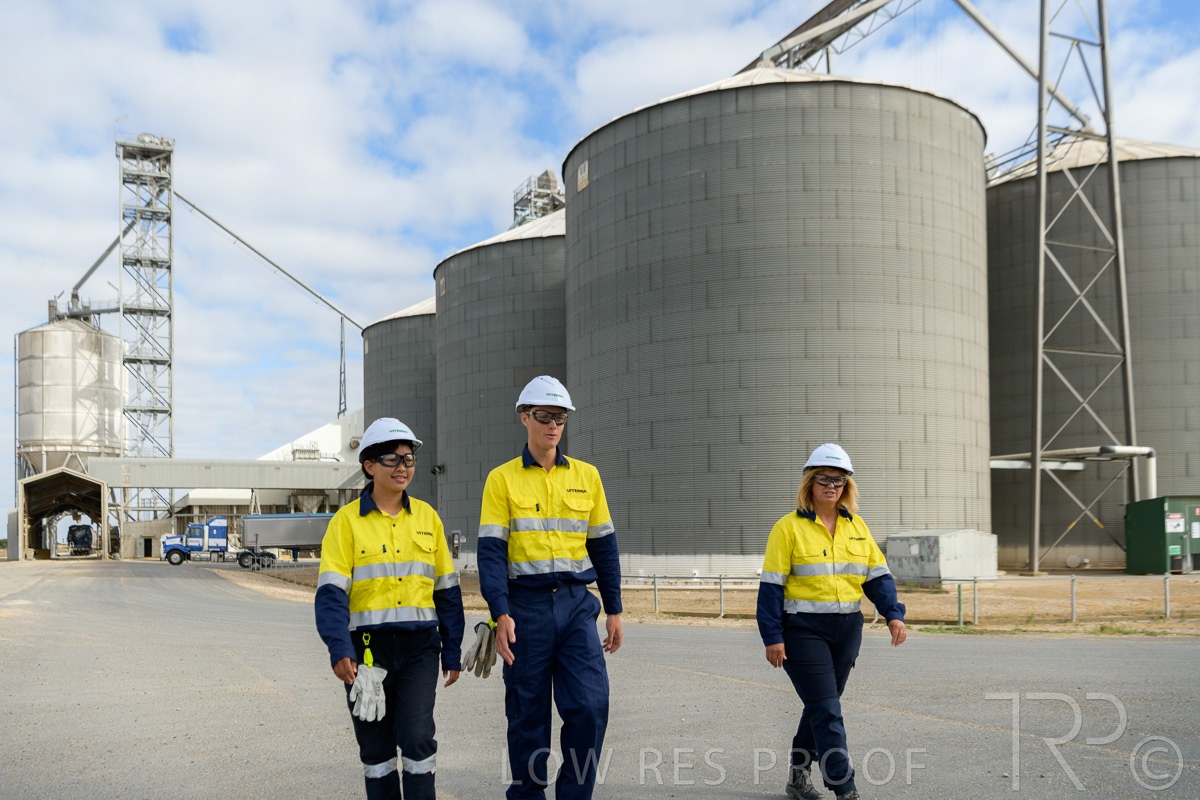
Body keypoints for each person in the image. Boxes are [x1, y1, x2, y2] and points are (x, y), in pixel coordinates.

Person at [477, 375, 623, 800]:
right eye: (544, 416)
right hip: (525, 608)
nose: (553, 425)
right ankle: (528, 794)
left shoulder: (587, 476)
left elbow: (604, 547)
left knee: (591, 706)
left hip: (577, 606)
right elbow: (490, 554)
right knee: (527, 716)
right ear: (525, 417)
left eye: (560, 418)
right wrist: (500, 613)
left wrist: (614, 609)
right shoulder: (501, 480)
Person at [316, 418, 465, 800]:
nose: (403, 467)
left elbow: (447, 592)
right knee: (376, 748)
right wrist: (339, 648)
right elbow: (331, 595)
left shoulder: (428, 518)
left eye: (409, 458)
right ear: (369, 466)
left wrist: (452, 649)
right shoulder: (345, 523)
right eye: (392, 459)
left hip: (420, 650)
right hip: (367, 653)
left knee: (417, 738)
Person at [756, 443, 907, 800]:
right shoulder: (787, 528)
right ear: (809, 483)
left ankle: (798, 775)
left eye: (838, 480)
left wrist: (893, 614)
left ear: (846, 486)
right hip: (803, 630)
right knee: (827, 709)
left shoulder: (857, 527)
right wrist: (772, 636)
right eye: (823, 478)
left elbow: (877, 577)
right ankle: (845, 788)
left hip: (847, 630)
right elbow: (771, 587)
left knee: (822, 706)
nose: (831, 486)